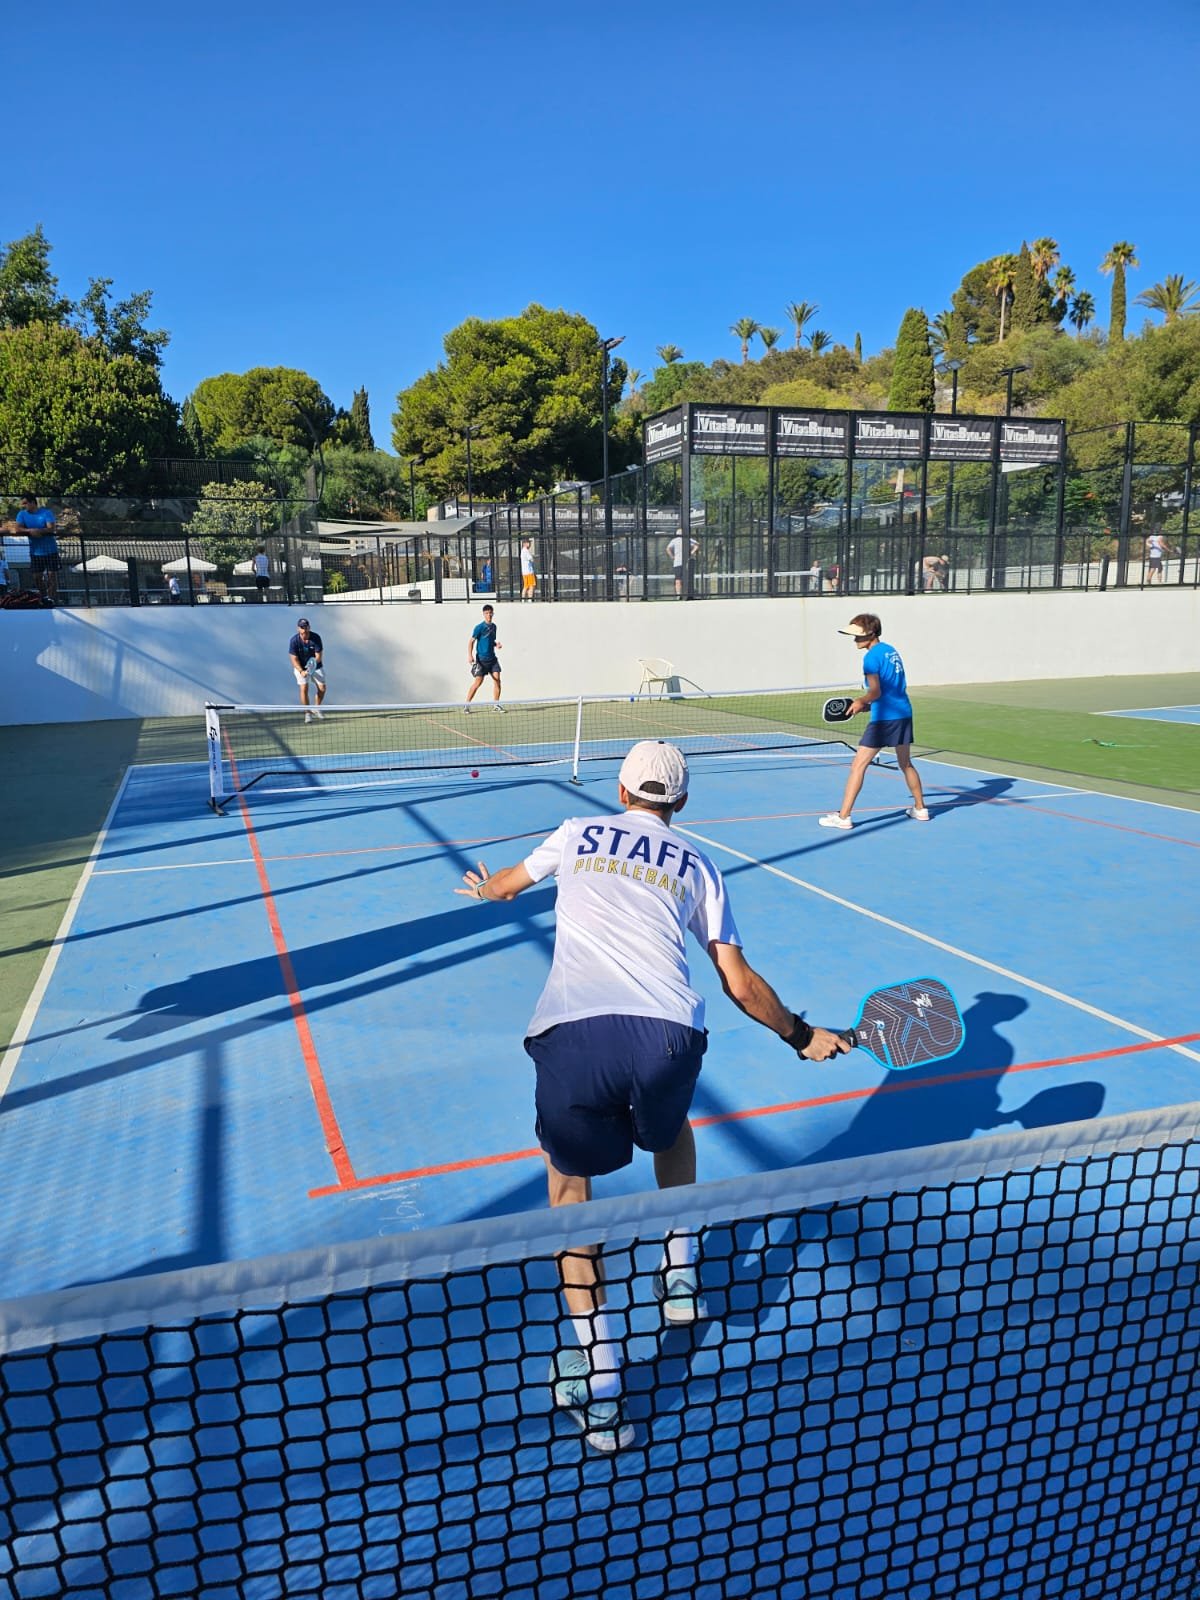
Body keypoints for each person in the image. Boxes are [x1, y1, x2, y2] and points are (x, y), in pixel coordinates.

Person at [455, 740, 847, 1452]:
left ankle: (603, 1385)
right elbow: (738, 981)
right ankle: (680, 1272)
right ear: (682, 803)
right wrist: (802, 1035)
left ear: (622, 790)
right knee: (671, 1133)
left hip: (571, 1035)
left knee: (569, 1190)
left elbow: (509, 885)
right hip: (667, 1038)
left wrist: (487, 888)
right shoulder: (697, 862)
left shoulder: (577, 834)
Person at [819, 614, 930, 829]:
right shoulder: (891, 650)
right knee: (905, 763)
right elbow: (890, 689)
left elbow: (876, 691)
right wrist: (867, 705)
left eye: (857, 636)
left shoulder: (870, 658)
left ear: (870, 634)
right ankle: (920, 808)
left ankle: (843, 817)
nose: (854, 640)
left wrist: (862, 701)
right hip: (903, 713)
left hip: (884, 719)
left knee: (858, 766)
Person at [16, 494, 59, 604]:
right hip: (35, 552)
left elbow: (51, 528)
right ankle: (44, 597)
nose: (24, 506)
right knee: (37, 577)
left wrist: (39, 531)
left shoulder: (46, 513)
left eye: (25, 503)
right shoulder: (22, 514)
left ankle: (51, 599)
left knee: (51, 576)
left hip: (51, 551)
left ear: (33, 503)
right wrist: (30, 531)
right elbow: (18, 529)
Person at [465, 603, 504, 711]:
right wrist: (470, 655)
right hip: (481, 660)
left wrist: (497, 645)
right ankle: (466, 705)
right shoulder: (479, 627)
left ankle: (496, 704)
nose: (489, 615)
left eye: (490, 613)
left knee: (497, 680)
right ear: (483, 614)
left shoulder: (494, 627)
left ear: (493, 613)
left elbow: (491, 641)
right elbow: (471, 642)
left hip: (492, 659)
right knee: (478, 683)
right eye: (486, 613)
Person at [288, 617, 326, 722]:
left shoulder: (316, 638)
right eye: (302, 627)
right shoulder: (294, 641)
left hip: (316, 666)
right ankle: (307, 713)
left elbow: (318, 656)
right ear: (298, 629)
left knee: (322, 688)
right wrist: (301, 671)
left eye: (306, 627)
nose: (304, 629)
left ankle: (316, 709)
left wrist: (311, 666)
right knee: (304, 688)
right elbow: (293, 659)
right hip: (300, 667)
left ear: (309, 627)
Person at [666, 528, 700, 597]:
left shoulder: (680, 540)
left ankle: (681, 594)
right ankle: (683, 594)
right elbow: (697, 545)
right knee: (682, 579)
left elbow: (668, 549)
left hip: (681, 562)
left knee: (679, 579)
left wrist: (672, 557)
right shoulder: (682, 540)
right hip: (682, 562)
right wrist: (691, 553)